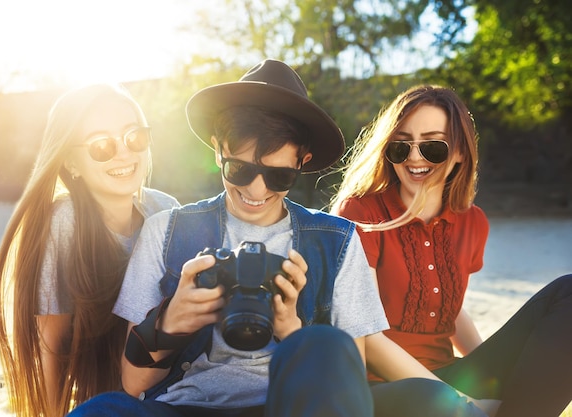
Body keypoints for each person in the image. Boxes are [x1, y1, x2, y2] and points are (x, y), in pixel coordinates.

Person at [67, 61, 494, 417]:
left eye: (279, 175)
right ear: (217, 150)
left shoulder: (339, 239)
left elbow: (352, 375)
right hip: (188, 405)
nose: (256, 190)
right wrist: (170, 321)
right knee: (100, 410)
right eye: (239, 170)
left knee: (350, 356)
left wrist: (294, 331)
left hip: (291, 406)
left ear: (302, 162)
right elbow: (134, 382)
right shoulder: (167, 231)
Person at [331, 84, 572, 417]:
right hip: (384, 387)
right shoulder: (361, 213)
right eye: (401, 146)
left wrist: (494, 376)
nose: (415, 156)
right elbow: (367, 337)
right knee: (429, 401)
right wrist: (463, 402)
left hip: (447, 376)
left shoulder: (472, 222)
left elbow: (451, 311)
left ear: (460, 151)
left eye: (432, 145)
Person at [0, 83, 180, 417]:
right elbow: (50, 344)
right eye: (101, 146)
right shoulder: (63, 223)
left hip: (168, 389)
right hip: (102, 397)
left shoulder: (165, 210)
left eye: (134, 137)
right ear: (72, 163)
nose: (124, 153)